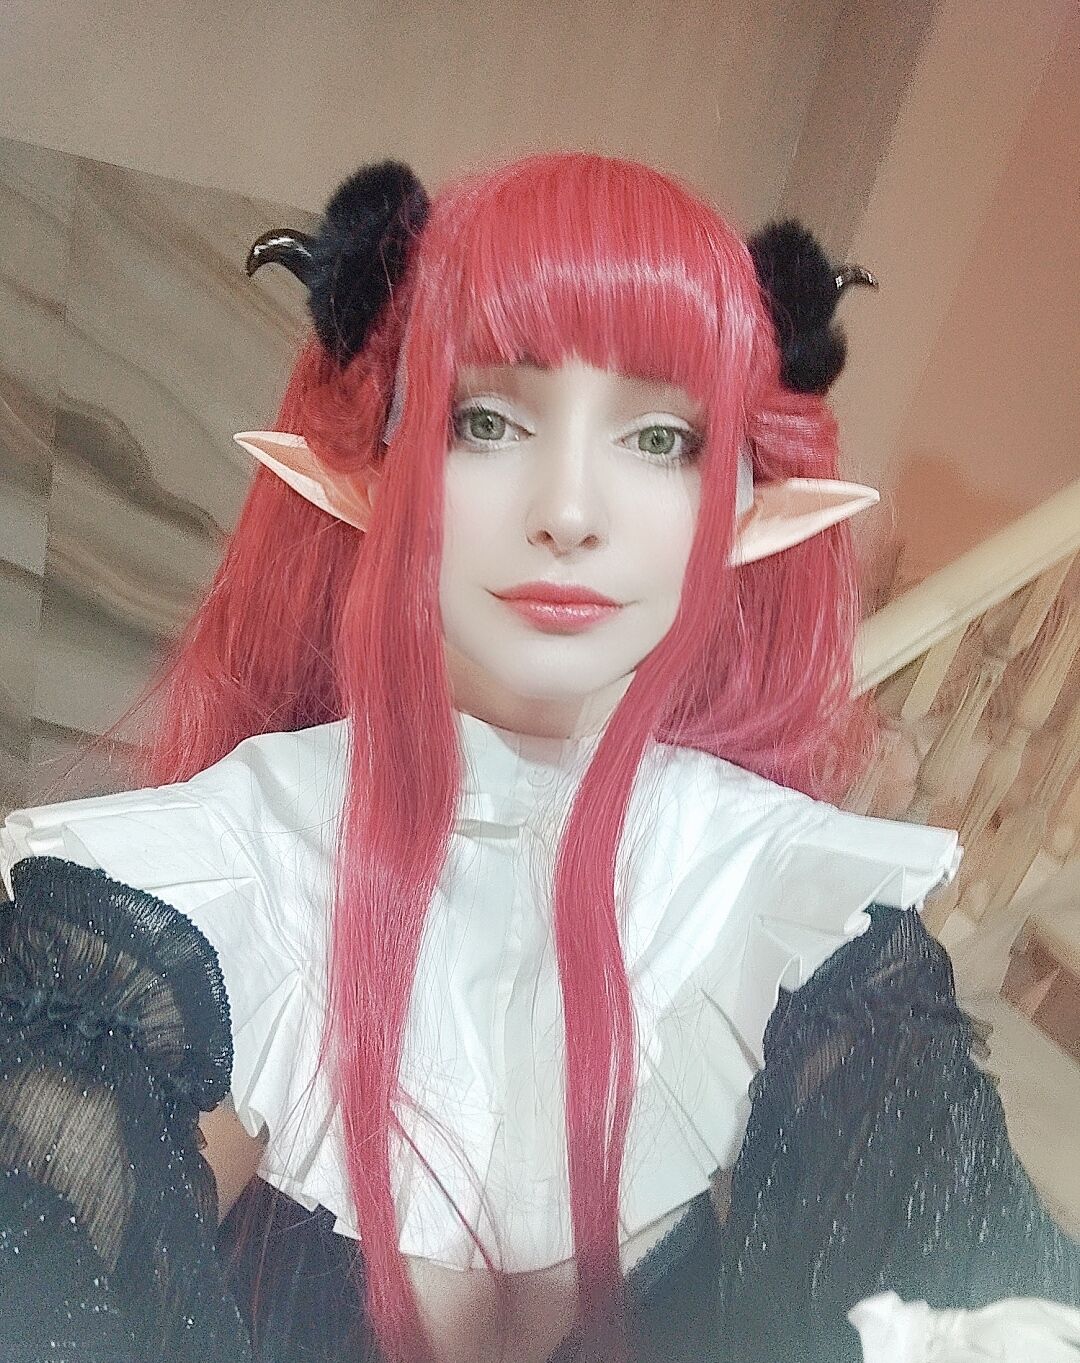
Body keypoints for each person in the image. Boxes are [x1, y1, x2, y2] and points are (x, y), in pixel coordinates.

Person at [0, 153, 1076, 1363]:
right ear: (367, 474)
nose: (570, 510)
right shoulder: (213, 887)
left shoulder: (791, 914)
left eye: (661, 437)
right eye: (486, 421)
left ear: (749, 507)